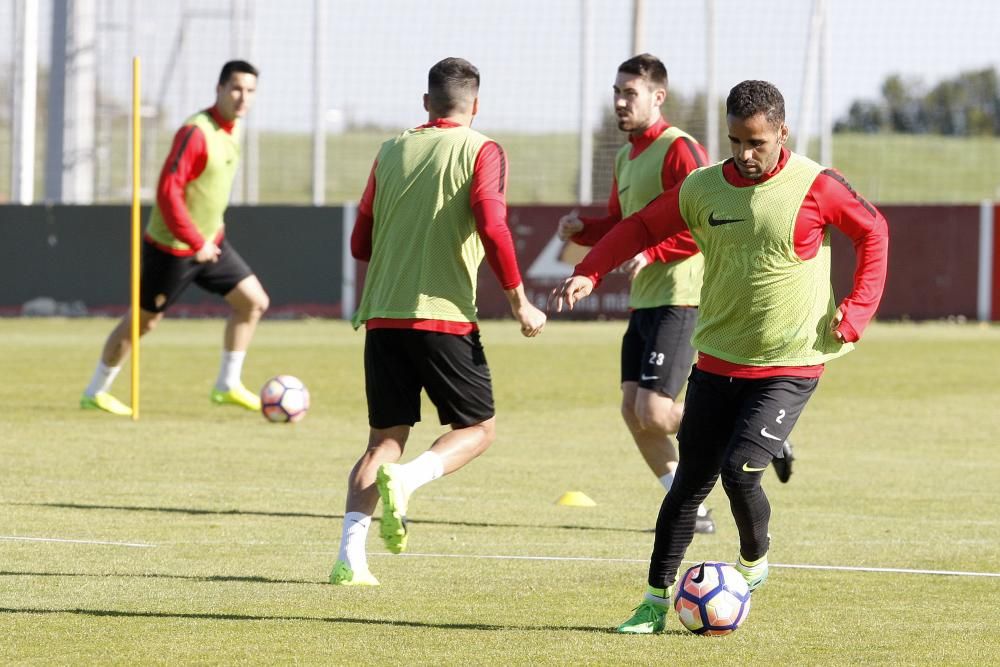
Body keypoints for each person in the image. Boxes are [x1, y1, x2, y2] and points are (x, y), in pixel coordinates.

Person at [551, 80, 889, 633]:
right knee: (688, 486)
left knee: (740, 471)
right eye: (735, 141)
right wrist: (589, 270)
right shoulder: (703, 187)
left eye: (756, 142)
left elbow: (874, 232)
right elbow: (640, 225)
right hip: (717, 359)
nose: (745, 154)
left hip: (791, 362)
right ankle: (654, 603)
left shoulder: (816, 185)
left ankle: (754, 561)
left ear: (782, 132)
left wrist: (855, 312)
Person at [330, 57, 547, 587]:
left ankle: (349, 559)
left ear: (426, 102)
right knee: (477, 430)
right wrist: (519, 301)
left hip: (383, 316)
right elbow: (494, 226)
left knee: (383, 441)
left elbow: (361, 243)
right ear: (475, 105)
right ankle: (405, 482)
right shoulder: (482, 148)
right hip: (443, 316)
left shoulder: (390, 150)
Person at [559, 55, 714, 535]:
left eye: (631, 93)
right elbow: (624, 226)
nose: (621, 101)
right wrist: (584, 230)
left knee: (655, 411)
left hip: (681, 295)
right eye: (617, 92)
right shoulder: (626, 156)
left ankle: (743, 429)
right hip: (644, 300)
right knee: (633, 411)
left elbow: (705, 220)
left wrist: (655, 251)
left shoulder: (680, 149)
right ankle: (689, 505)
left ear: (657, 97)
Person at [79, 60, 268, 416]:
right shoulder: (196, 132)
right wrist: (196, 242)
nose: (243, 98)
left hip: (211, 243)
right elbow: (168, 192)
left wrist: (208, 238)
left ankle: (227, 384)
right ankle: (95, 391)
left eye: (251, 91)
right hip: (173, 248)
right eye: (237, 89)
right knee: (145, 321)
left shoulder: (235, 129)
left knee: (253, 302)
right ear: (220, 89)